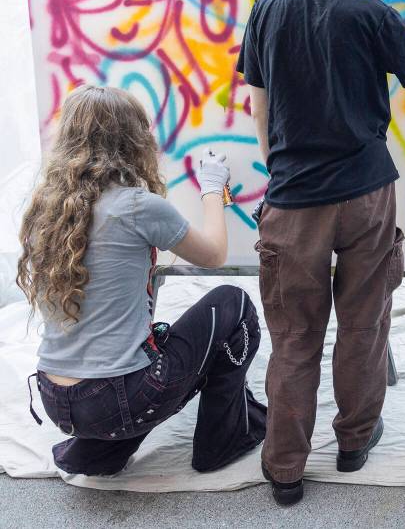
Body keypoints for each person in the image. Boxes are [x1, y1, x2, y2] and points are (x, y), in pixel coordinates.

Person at [236, 0, 405, 506]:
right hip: (365, 195)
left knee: (295, 337)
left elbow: (260, 106)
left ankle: (285, 469)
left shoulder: (268, 8)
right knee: (363, 323)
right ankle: (355, 442)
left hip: (294, 202)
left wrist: (281, 171)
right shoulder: (374, 14)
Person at [18, 85, 264, 477]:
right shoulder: (136, 206)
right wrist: (213, 188)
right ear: (133, 140)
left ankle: (98, 453)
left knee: (148, 348)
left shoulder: (47, 208)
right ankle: (222, 442)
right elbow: (214, 255)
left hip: (55, 398)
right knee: (233, 304)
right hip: (115, 399)